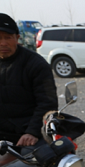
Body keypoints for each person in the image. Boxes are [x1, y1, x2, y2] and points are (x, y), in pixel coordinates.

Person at [0, 13, 58, 156]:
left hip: (27, 131)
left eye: (8, 37)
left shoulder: (36, 64)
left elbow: (48, 103)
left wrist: (32, 132)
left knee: (34, 163)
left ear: (17, 39)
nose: (3, 43)